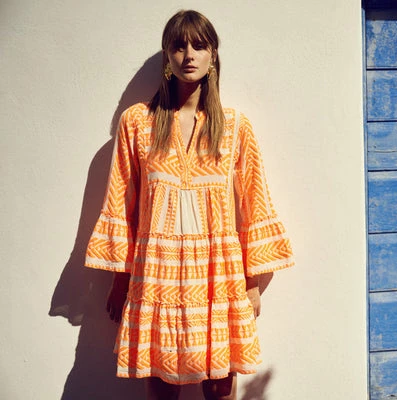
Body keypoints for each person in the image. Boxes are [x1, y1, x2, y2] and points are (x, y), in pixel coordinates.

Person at [84, 10, 294, 400]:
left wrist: (251, 282)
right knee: (161, 384)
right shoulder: (137, 123)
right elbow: (122, 198)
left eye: (199, 46)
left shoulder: (235, 126)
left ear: (213, 55)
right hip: (157, 272)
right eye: (179, 46)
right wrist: (120, 278)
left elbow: (255, 201)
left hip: (218, 273)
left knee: (219, 385)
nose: (189, 55)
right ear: (167, 55)